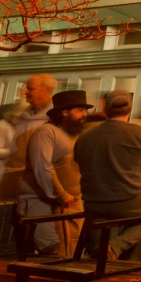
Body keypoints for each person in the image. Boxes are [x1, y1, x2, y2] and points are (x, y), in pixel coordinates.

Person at [73, 89, 141, 260]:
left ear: (105, 109)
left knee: (102, 226)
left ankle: (102, 252)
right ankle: (115, 246)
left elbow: (78, 160)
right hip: (128, 197)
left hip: (94, 200)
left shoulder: (85, 136)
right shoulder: (140, 133)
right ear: (130, 108)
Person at [23, 90, 88, 256]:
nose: (85, 114)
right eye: (80, 110)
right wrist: (61, 194)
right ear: (65, 112)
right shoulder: (45, 132)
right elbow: (43, 167)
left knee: (73, 251)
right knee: (55, 251)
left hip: (71, 202)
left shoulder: (74, 134)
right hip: (45, 202)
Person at [0, 75, 57, 247]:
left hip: (39, 187)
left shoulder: (55, 117)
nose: (26, 92)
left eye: (31, 89)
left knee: (43, 239)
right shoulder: (23, 116)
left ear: (47, 90)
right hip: (16, 183)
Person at [0, 101, 24, 196]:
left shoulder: (24, 127)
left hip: (16, 171)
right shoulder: (2, 125)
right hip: (0, 169)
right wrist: (16, 152)